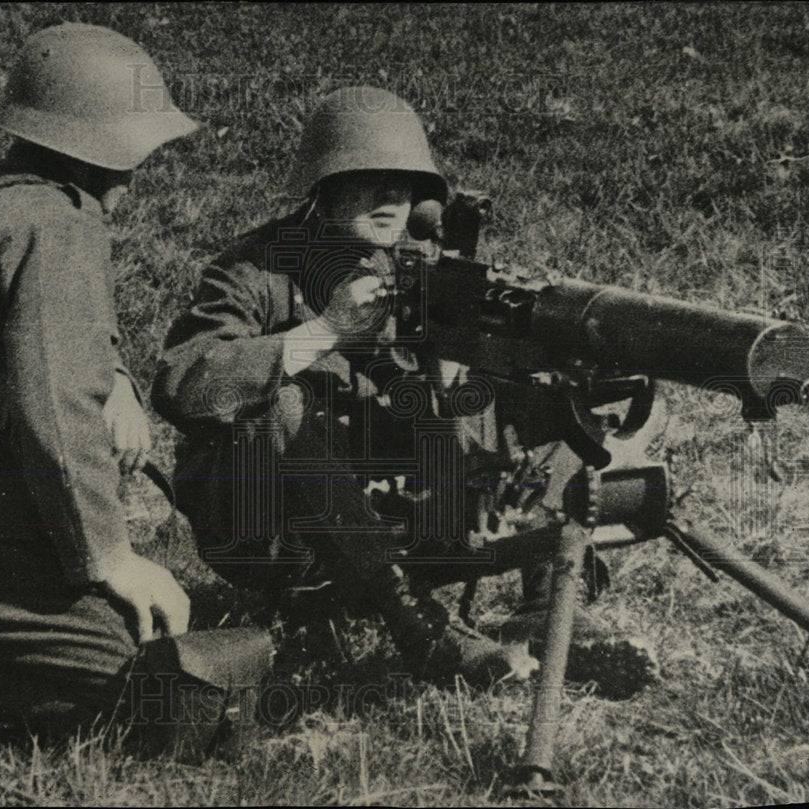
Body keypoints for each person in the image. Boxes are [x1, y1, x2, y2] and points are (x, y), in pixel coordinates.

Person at [0, 23, 271, 744]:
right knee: (157, 693)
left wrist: (115, 375)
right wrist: (112, 558)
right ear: (112, 148)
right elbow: (56, 407)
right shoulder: (60, 222)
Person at [152, 86, 542, 688]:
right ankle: (418, 626)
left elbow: (431, 398)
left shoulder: (410, 269)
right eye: (369, 179)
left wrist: (458, 361)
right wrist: (323, 331)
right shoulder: (254, 270)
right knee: (277, 404)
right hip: (268, 523)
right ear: (324, 185)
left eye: (404, 182)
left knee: (534, 383)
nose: (391, 196)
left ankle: (546, 602)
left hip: (378, 501)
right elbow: (185, 384)